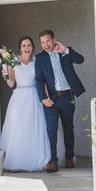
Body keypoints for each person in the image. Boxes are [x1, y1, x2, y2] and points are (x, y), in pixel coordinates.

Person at [35, 29, 85, 173]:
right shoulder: (40, 58)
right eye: (42, 43)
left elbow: (81, 60)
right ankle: (53, 161)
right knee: (51, 129)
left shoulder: (65, 51)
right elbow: (39, 80)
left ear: (54, 39)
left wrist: (66, 50)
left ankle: (69, 157)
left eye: (47, 41)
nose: (45, 45)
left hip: (67, 97)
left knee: (68, 127)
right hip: (51, 99)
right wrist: (43, 98)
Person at [0, 36, 51, 172]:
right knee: (19, 128)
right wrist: (4, 72)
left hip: (35, 95)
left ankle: (41, 158)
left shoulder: (37, 61)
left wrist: (46, 97)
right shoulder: (13, 62)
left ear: (33, 47)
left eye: (29, 45)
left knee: (37, 126)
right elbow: (11, 83)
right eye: (24, 46)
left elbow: (43, 81)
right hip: (20, 97)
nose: (27, 48)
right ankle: (17, 161)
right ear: (20, 48)